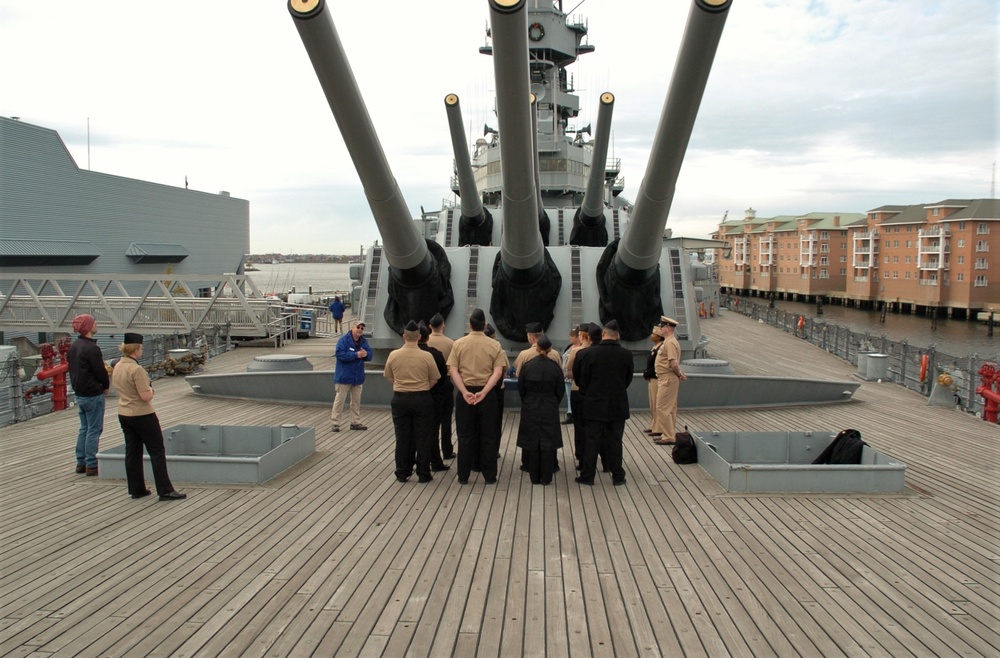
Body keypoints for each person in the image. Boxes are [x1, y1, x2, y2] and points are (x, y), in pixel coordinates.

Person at [111, 333, 186, 500]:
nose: (141, 351)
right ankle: (165, 490)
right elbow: (145, 396)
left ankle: (136, 488)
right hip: (142, 414)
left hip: (124, 412)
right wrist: (152, 390)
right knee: (157, 451)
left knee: (132, 451)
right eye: (141, 348)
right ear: (136, 350)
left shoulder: (118, 366)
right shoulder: (136, 369)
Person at [447, 308, 507, 485]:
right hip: (487, 395)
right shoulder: (495, 345)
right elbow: (498, 372)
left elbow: (453, 370)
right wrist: (485, 391)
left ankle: (463, 475)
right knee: (488, 435)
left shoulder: (458, 344)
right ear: (485, 325)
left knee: (465, 435)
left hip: (465, 394)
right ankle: (489, 475)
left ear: (470, 325)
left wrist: (464, 391)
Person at [572, 319, 633, 486]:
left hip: (593, 403)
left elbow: (581, 379)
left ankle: (588, 476)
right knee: (615, 441)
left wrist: (590, 392)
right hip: (617, 404)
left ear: (603, 334)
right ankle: (618, 476)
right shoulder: (626, 355)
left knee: (592, 440)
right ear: (618, 335)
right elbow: (627, 380)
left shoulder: (588, 354)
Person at [384, 321, 441, 483]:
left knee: (402, 436)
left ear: (404, 337)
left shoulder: (393, 355)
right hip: (422, 397)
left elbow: (390, 377)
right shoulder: (427, 356)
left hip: (400, 397)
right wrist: (422, 387)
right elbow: (434, 379)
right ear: (419, 337)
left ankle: (402, 471)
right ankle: (423, 472)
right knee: (423, 436)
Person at [516, 335, 565, 485]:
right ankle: (547, 477)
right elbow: (560, 390)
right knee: (548, 440)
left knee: (533, 440)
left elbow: (521, 388)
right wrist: (553, 401)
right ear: (550, 349)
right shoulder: (555, 367)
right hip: (549, 404)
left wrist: (529, 400)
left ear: (537, 349)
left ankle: (534, 476)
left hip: (531, 403)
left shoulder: (528, 366)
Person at [66, 314, 109, 476]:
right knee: (94, 429)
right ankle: (92, 464)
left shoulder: (74, 347)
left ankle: (81, 462)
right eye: (94, 323)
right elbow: (100, 371)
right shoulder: (91, 348)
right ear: (89, 327)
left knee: (84, 428)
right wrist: (105, 385)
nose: (96, 324)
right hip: (93, 393)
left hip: (80, 393)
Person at [417, 322, 452, 472]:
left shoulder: (396, 354)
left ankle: (406, 464)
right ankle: (439, 457)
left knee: (411, 431)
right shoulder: (438, 352)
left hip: (409, 395)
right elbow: (442, 376)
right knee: (439, 425)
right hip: (437, 393)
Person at [331, 320, 373, 432]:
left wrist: (366, 354)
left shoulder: (364, 341)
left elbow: (370, 356)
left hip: (357, 377)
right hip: (344, 376)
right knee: (339, 400)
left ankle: (355, 422)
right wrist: (356, 355)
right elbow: (340, 354)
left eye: (362, 328)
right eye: (358, 327)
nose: (360, 330)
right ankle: (335, 423)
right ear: (353, 328)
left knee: (356, 401)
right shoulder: (343, 340)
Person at [652, 316, 688, 445]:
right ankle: (668, 433)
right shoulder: (668, 341)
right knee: (670, 408)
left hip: (667, 379)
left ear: (668, 328)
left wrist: (679, 374)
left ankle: (668, 436)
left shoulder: (670, 343)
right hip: (666, 378)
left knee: (662, 407)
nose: (660, 329)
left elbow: (673, 363)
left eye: (662, 326)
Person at [426, 313, 455, 459]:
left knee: (432, 421)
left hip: (428, 385)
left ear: (430, 326)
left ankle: (432, 451)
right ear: (443, 325)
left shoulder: (426, 342)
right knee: (446, 419)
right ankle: (447, 450)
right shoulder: (451, 343)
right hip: (445, 383)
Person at [642, 326, 664, 435]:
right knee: (652, 403)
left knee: (656, 403)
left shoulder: (660, 348)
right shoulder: (655, 347)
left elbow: (657, 365)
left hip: (656, 378)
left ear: (659, 337)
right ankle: (653, 424)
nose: (651, 335)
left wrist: (648, 372)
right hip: (651, 378)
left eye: (653, 334)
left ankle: (658, 427)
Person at [561, 325, 581, 424]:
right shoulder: (569, 347)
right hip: (566, 376)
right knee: (568, 395)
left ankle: (573, 413)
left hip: (575, 377)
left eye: (572, 336)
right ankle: (570, 412)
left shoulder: (580, 348)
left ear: (578, 337)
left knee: (574, 395)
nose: (570, 338)